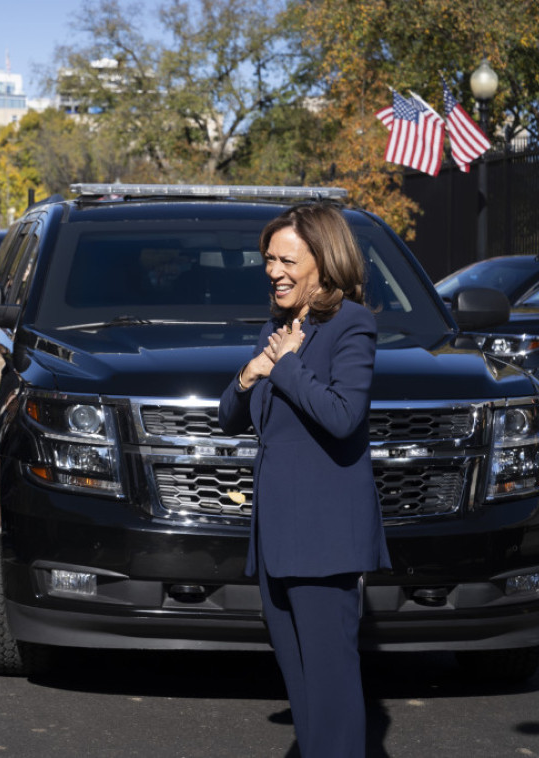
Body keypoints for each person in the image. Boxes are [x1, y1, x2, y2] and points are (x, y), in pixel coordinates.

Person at [217, 203, 390, 758]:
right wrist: (250, 374)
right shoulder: (278, 325)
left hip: (323, 540)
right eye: (268, 259)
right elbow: (231, 416)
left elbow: (343, 416)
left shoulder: (352, 325)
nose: (274, 271)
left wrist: (288, 367)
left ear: (324, 261)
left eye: (287, 259)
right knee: (304, 691)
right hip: (276, 539)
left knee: (332, 693)